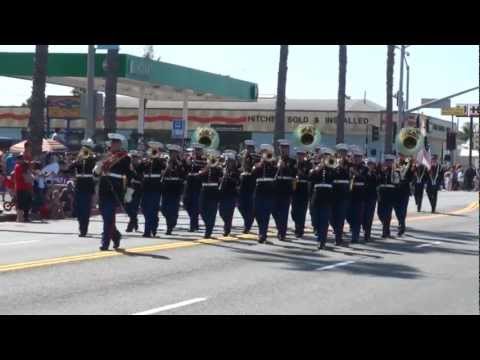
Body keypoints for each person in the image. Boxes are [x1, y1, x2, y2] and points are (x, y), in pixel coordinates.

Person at [94, 133, 133, 251]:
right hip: (103, 189)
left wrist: (129, 191)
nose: (113, 145)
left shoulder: (125, 158)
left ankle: (104, 242)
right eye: (112, 143)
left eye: (115, 143)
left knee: (108, 216)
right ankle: (115, 235)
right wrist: (98, 168)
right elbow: (96, 174)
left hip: (115, 190)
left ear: (120, 144)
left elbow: (131, 175)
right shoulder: (105, 156)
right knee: (107, 217)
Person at [69, 139, 97, 236]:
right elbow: (69, 169)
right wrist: (76, 161)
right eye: (84, 147)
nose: (85, 150)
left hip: (88, 186)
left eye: (87, 148)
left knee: (85, 209)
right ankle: (81, 227)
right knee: (78, 208)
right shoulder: (79, 158)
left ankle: (83, 230)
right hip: (79, 186)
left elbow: (95, 168)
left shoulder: (93, 158)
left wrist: (89, 158)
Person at [309, 148, 335, 250]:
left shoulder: (332, 168)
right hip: (316, 197)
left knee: (324, 221)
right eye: (323, 156)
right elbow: (310, 177)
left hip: (327, 198)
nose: (325, 158)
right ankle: (319, 235)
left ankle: (321, 241)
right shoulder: (316, 168)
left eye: (327, 156)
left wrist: (329, 167)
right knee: (315, 220)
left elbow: (333, 178)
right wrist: (318, 168)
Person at [138, 142, 165, 238]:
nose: (153, 152)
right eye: (151, 149)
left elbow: (163, 167)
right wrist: (142, 161)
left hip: (155, 188)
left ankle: (147, 231)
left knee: (152, 210)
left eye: (155, 150)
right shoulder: (146, 161)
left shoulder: (160, 161)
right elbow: (139, 170)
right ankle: (154, 223)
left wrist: (157, 158)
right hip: (145, 188)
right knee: (144, 208)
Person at [252, 144, 277, 243]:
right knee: (257, 213)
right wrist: (260, 164)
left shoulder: (273, 165)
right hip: (258, 192)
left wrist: (270, 163)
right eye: (263, 152)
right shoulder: (257, 164)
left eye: (266, 152)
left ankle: (262, 234)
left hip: (269, 192)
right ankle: (262, 231)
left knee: (265, 214)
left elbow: (275, 173)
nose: (264, 154)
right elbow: (253, 174)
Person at [272, 140, 296, 241]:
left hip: (286, 191)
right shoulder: (275, 160)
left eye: (285, 148)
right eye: (282, 148)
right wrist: (276, 166)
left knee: (284, 213)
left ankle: (282, 233)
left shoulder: (292, 161)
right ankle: (279, 228)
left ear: (288, 149)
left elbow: (293, 174)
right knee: (274, 211)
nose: (283, 150)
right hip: (276, 190)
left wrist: (284, 166)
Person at [160, 145, 185, 235]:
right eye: (171, 153)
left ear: (177, 154)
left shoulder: (181, 163)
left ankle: (170, 226)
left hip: (175, 188)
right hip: (166, 187)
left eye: (174, 153)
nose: (172, 155)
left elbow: (183, 173)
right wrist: (167, 166)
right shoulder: (165, 161)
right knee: (164, 209)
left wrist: (178, 163)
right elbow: (161, 173)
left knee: (173, 208)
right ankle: (171, 221)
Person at [198, 151, 223, 239]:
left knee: (212, 212)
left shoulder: (219, 169)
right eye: (210, 159)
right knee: (201, 210)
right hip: (204, 191)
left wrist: (216, 167)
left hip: (214, 192)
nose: (211, 161)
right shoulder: (204, 168)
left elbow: (221, 179)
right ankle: (208, 225)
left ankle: (208, 230)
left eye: (213, 159)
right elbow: (199, 176)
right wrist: (207, 167)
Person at [330, 143, 351, 246]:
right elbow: (329, 174)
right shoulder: (332, 162)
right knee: (331, 216)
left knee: (340, 216)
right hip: (333, 193)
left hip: (344, 193)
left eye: (344, 152)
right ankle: (337, 231)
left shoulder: (349, 164)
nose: (342, 154)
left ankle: (338, 238)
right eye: (340, 152)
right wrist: (335, 166)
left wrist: (343, 166)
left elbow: (350, 175)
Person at [183, 144, 206, 232]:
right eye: (195, 150)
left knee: (195, 206)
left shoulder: (203, 160)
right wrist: (187, 161)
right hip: (189, 184)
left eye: (198, 150)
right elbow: (185, 168)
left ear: (201, 151)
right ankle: (195, 222)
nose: (196, 151)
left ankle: (192, 226)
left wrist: (199, 172)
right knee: (186, 203)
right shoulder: (190, 159)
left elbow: (205, 169)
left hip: (198, 184)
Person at [347, 149, 367, 243]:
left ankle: (355, 237)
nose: (356, 159)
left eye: (358, 157)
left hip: (360, 195)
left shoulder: (364, 168)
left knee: (357, 217)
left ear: (361, 158)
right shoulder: (348, 167)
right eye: (355, 157)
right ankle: (353, 227)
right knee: (348, 215)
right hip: (349, 194)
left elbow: (364, 179)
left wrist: (355, 173)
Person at [291, 148, 312, 238]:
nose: (300, 156)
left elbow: (310, 177)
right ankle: (298, 225)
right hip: (295, 189)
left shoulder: (308, 165)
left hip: (303, 189)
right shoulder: (294, 164)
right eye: (299, 154)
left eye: (302, 154)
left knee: (302, 211)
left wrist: (302, 174)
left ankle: (299, 229)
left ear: (304, 156)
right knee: (294, 211)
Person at [238, 140, 258, 234]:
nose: (248, 149)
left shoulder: (256, 157)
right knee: (240, 205)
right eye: (247, 147)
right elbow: (240, 168)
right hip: (243, 181)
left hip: (251, 182)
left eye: (250, 147)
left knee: (249, 205)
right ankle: (249, 219)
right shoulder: (243, 156)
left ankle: (247, 224)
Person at [218, 151, 240, 237]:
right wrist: (221, 178)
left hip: (231, 194)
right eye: (227, 161)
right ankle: (227, 224)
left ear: (233, 162)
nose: (227, 163)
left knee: (229, 213)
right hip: (223, 194)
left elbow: (237, 182)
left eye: (230, 161)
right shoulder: (222, 169)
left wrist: (228, 177)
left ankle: (227, 229)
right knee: (221, 212)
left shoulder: (236, 171)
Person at [377, 154, 398, 238]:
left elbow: (397, 182)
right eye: (387, 161)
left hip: (391, 194)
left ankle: (385, 231)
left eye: (390, 161)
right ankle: (386, 228)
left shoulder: (395, 171)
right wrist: (381, 171)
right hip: (382, 194)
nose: (388, 163)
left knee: (387, 214)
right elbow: (377, 180)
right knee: (380, 213)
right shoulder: (381, 170)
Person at [393, 153, 414, 236]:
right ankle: (401, 222)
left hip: (405, 190)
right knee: (396, 208)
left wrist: (412, 166)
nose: (401, 156)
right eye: (399, 155)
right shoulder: (395, 164)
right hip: (395, 190)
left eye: (402, 155)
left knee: (403, 209)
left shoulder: (408, 164)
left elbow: (411, 176)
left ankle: (401, 224)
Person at [362, 158, 380, 242]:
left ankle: (367, 233)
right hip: (363, 197)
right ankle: (365, 229)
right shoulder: (363, 172)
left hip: (372, 198)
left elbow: (377, 182)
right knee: (363, 216)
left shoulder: (376, 173)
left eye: (372, 164)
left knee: (369, 216)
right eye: (369, 164)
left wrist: (372, 174)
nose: (370, 165)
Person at [125, 150, 143, 233]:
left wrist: (133, 171)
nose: (133, 159)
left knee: (134, 208)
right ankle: (134, 221)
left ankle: (130, 226)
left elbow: (140, 178)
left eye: (135, 158)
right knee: (127, 208)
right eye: (132, 157)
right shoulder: (126, 166)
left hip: (137, 189)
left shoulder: (141, 166)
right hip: (128, 189)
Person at [14, 152, 34, 222]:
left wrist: (30, 178)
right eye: (21, 158)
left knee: (27, 203)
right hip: (21, 188)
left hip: (27, 187)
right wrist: (30, 178)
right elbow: (26, 178)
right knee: (21, 204)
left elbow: (30, 176)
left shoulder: (25, 166)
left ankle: (26, 217)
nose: (23, 159)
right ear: (18, 159)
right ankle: (19, 218)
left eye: (23, 158)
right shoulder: (18, 167)